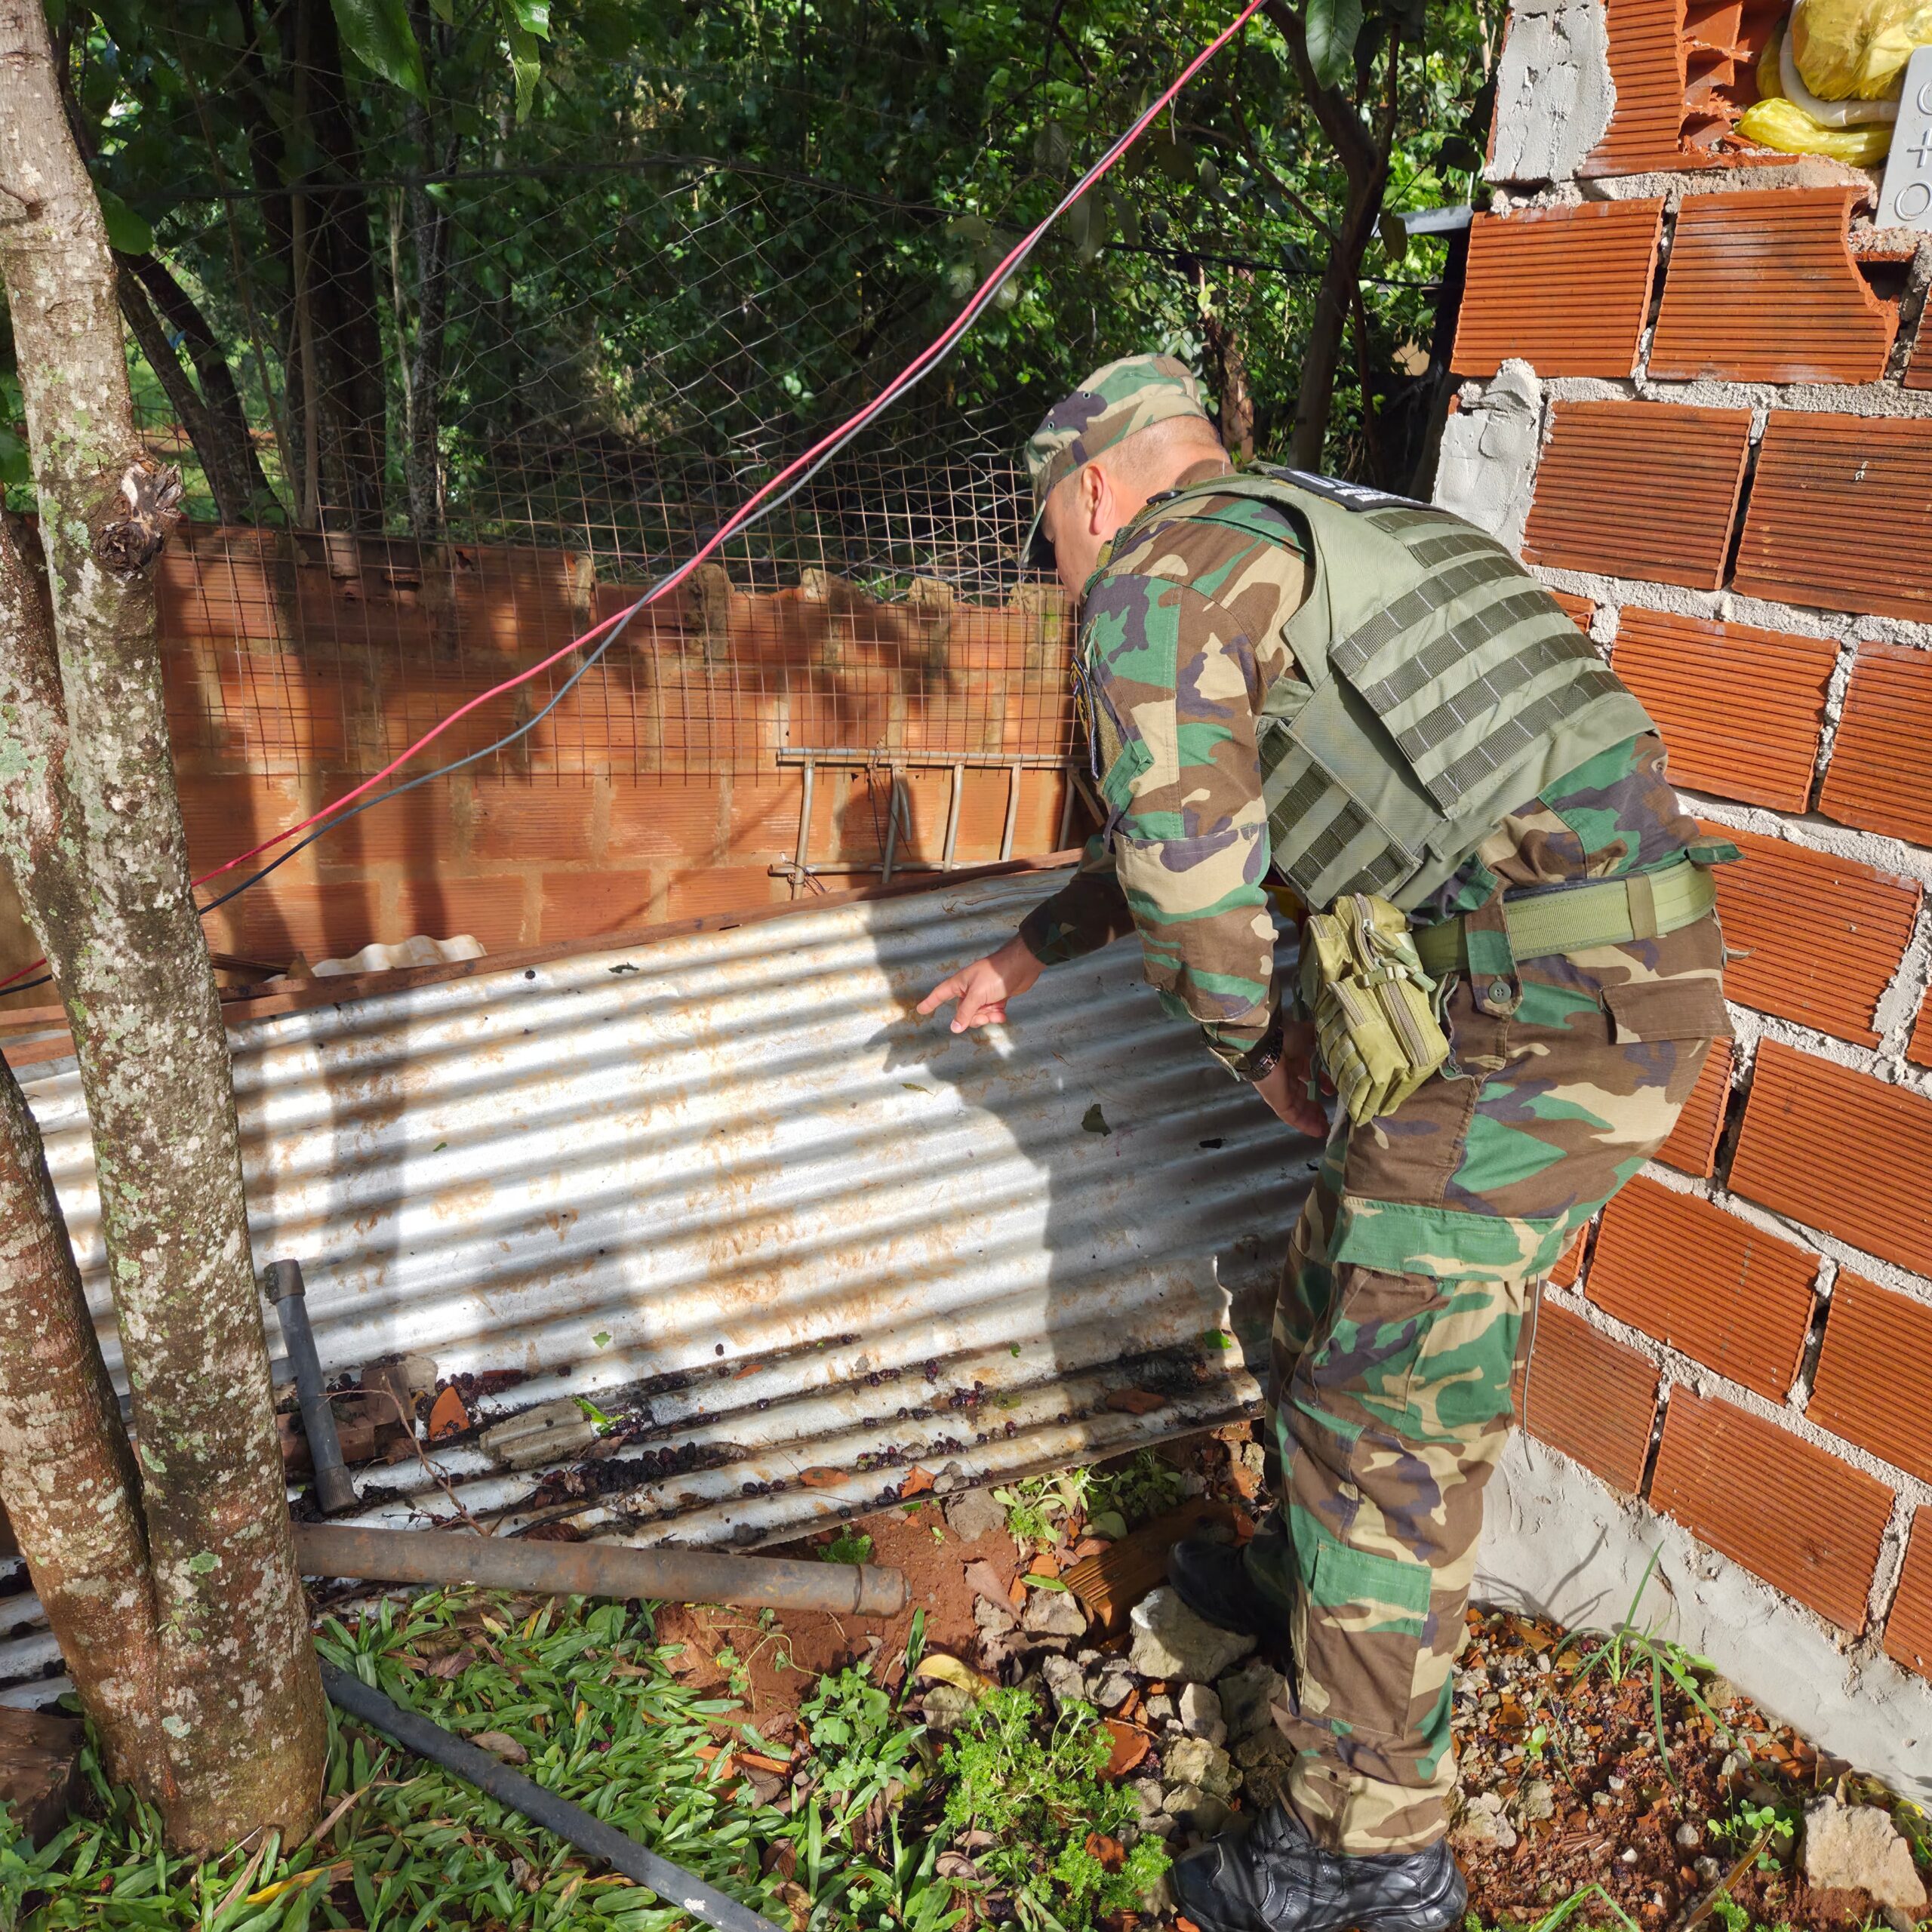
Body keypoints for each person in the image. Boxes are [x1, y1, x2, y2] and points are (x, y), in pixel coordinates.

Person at [918, 354, 1730, 1932]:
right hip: (1599, 970)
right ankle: (1301, 1585)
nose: (1059, 575)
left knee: (1381, 1413)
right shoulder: (1327, 526)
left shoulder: (1154, 573)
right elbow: (1216, 813)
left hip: (1530, 1006)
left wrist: (1269, 1060)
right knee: (1325, 1296)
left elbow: (1193, 891)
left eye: (1051, 538)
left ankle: (1364, 1858)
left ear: (1096, 488)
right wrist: (1029, 948)